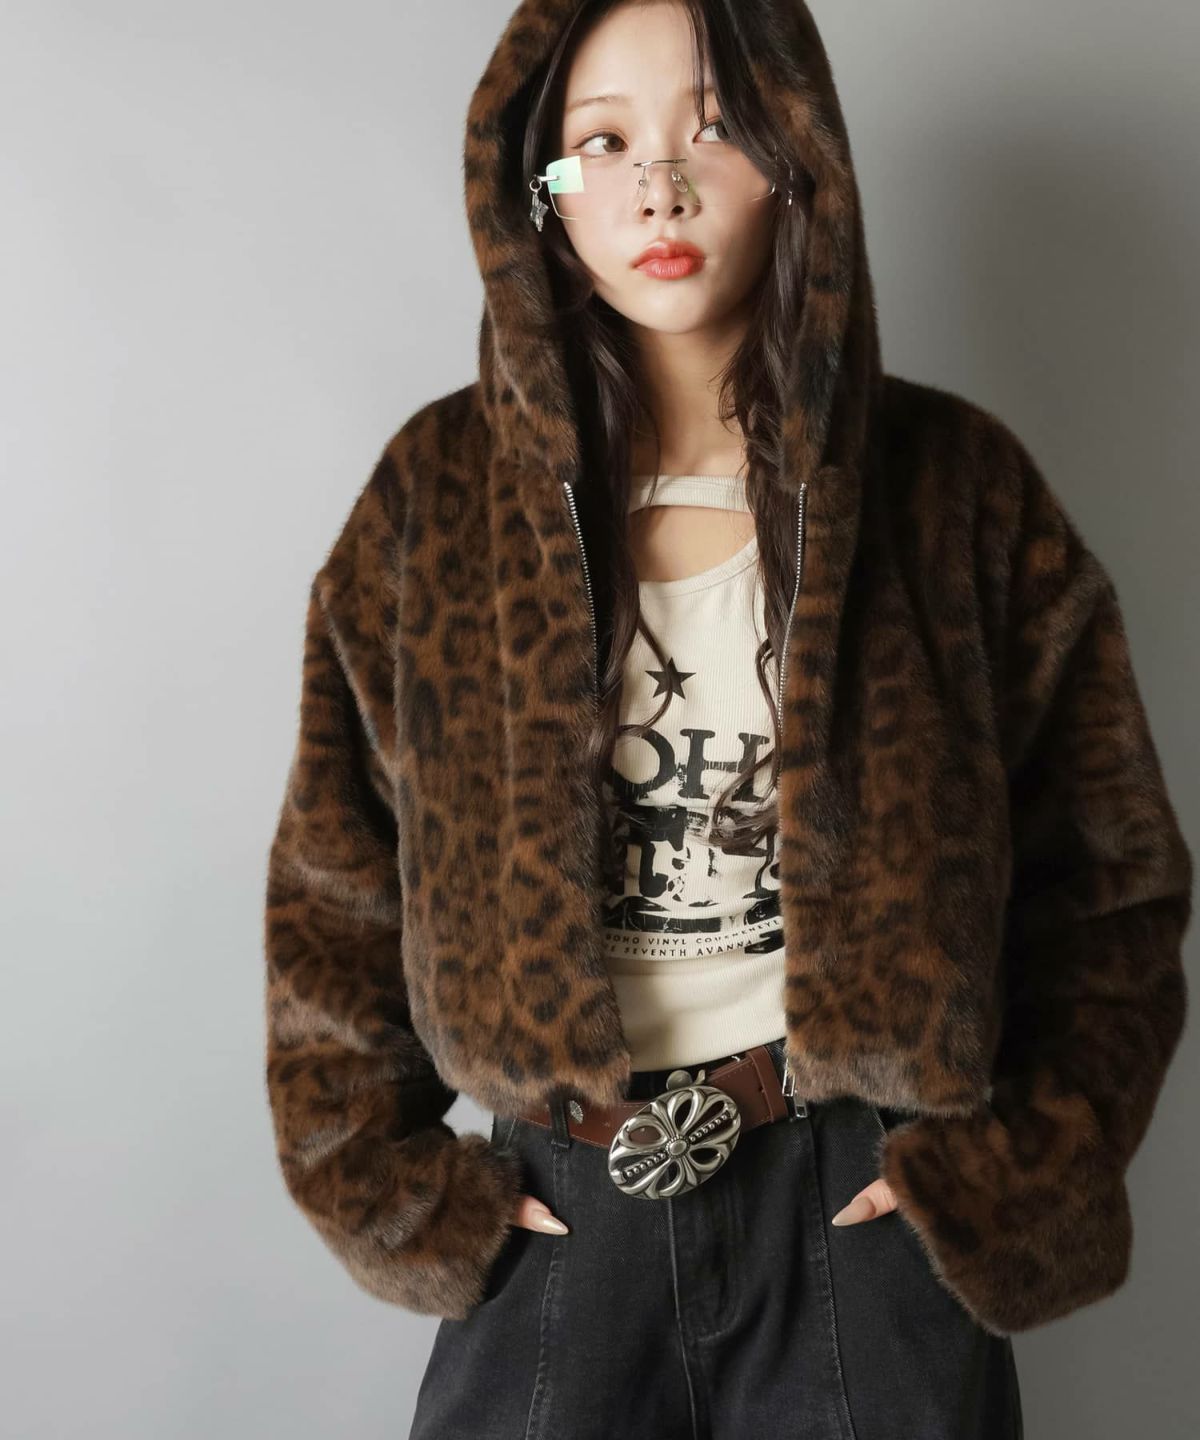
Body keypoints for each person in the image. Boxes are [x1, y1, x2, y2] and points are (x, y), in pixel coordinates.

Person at [261, 2, 1193, 1436]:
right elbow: (333, 895)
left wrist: (1014, 1175)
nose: (661, 186)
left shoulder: (953, 490)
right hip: (560, 1216)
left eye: (714, 128)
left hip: (861, 1212)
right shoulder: (433, 501)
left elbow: (1110, 882)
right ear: (537, 191)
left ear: (797, 155)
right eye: (602, 142)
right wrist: (391, 1189)